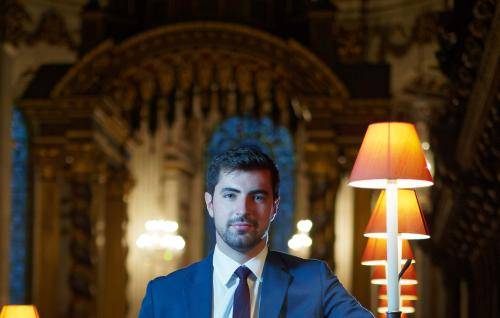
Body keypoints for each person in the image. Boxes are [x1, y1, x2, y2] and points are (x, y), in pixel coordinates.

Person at [139, 146, 374, 318]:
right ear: (210, 204)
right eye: (230, 195)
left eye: (258, 197)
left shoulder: (316, 281)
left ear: (274, 207)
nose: (243, 209)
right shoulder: (162, 295)